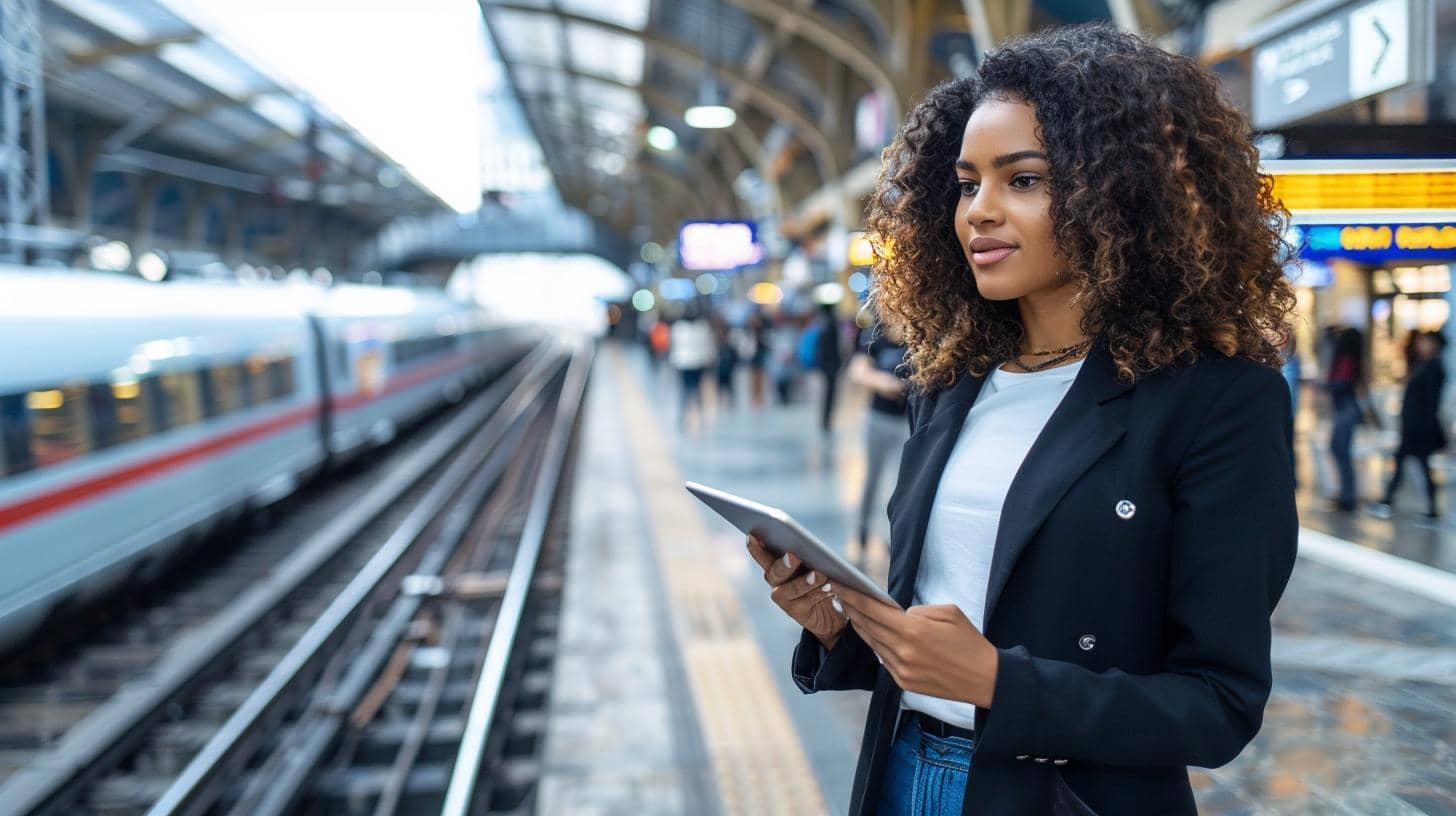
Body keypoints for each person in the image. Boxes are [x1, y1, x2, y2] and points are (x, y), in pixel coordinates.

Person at [745, 24, 1298, 816]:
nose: (980, 212)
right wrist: (839, 629)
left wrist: (1001, 684)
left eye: (1025, 180)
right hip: (900, 775)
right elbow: (941, 632)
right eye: (967, 184)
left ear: (1125, 194)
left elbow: (1217, 706)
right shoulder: (951, 383)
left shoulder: (1216, 401)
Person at [849, 317, 911, 565]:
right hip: (879, 418)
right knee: (871, 480)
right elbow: (858, 371)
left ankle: (892, 538)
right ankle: (862, 531)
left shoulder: (917, 335)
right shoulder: (874, 337)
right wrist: (882, 382)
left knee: (900, 483)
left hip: (907, 421)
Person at [1368, 330, 1447, 519]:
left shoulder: (1434, 368)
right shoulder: (1423, 365)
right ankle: (1393, 501)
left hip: (1419, 428)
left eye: (1426, 342)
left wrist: (1423, 426)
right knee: (1408, 463)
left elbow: (1430, 402)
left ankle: (1394, 502)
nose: (1421, 346)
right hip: (1414, 425)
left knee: (1416, 465)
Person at [1325, 326, 1365, 511]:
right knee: (1341, 450)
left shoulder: (1346, 359)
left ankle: (1347, 496)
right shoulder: (1355, 358)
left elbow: (1339, 384)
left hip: (1346, 409)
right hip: (1347, 409)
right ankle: (1345, 494)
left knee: (1340, 450)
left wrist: (1326, 384)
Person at [669, 307, 717, 431]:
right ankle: (696, 415)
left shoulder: (678, 327)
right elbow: (708, 345)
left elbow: (674, 346)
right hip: (695, 362)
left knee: (686, 391)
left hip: (685, 363)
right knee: (694, 390)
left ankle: (686, 415)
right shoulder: (702, 327)